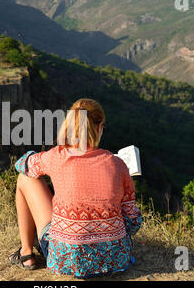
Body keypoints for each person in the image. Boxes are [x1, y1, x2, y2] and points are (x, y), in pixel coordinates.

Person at [8, 98, 143, 278]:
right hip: (115, 261)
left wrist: (39, 158)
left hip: (68, 260)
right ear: (100, 126)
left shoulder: (57, 156)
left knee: (25, 177)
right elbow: (133, 222)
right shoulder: (117, 164)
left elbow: (21, 165)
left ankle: (26, 254)